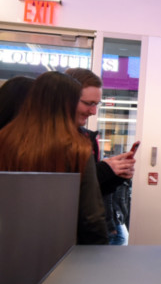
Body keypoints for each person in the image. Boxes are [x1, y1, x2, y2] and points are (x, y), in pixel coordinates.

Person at [0, 71, 107, 244]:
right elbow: (91, 216)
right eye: (86, 103)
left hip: (9, 244)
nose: (92, 111)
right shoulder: (76, 148)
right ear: (68, 104)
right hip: (60, 247)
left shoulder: (5, 139)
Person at [65, 68, 136, 245]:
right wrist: (103, 171)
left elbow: (91, 194)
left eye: (97, 104)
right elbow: (62, 191)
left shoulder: (88, 138)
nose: (93, 111)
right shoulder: (51, 139)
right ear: (67, 99)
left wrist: (115, 176)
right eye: (88, 103)